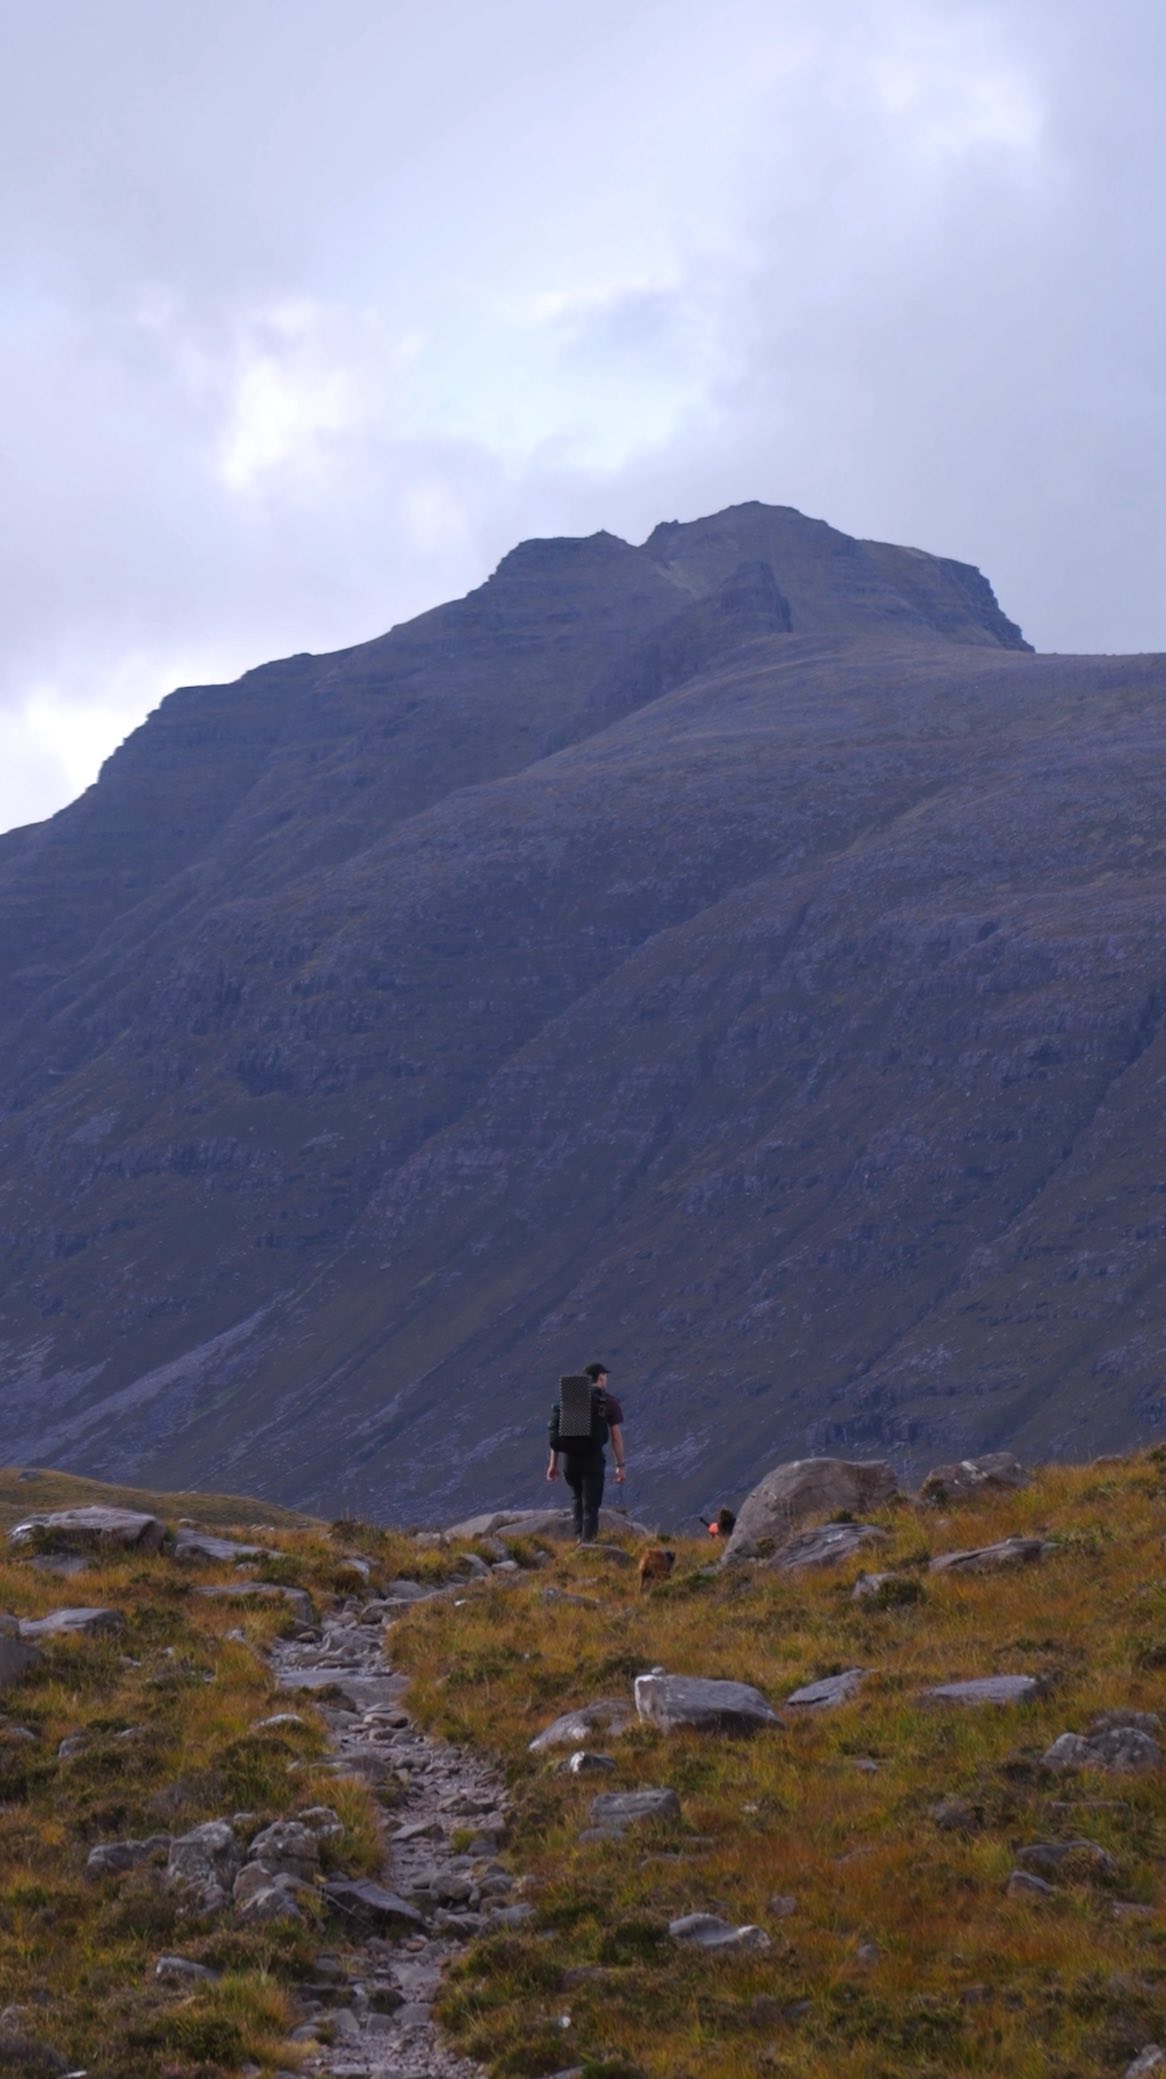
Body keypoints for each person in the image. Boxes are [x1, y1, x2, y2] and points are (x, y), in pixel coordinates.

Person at [547, 1360, 625, 1542]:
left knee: (576, 1498)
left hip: (569, 1459)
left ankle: (577, 1539)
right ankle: (588, 1543)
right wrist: (620, 1465)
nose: (606, 1379)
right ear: (600, 1377)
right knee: (591, 1504)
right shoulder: (608, 1402)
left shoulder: (571, 1399)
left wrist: (553, 1464)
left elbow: (557, 1432)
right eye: (605, 1376)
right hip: (592, 1458)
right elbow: (615, 1437)